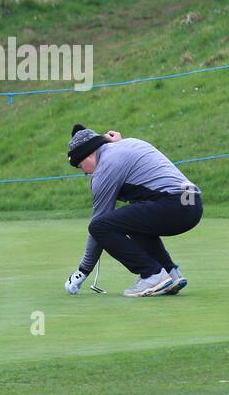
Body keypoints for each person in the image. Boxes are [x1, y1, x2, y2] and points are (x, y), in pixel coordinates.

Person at [63, 124, 201, 297]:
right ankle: (170, 274)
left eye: (79, 165)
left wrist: (83, 270)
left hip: (175, 205)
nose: (83, 172)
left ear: (88, 155)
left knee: (99, 226)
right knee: (133, 218)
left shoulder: (106, 167)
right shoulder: (129, 143)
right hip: (192, 203)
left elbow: (98, 225)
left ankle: (152, 275)